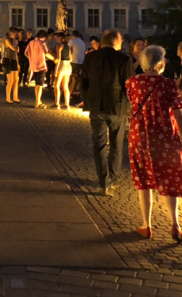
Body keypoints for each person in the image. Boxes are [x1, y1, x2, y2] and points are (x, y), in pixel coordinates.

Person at [126, 45, 182, 242]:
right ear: (161, 62)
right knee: (168, 179)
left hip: (140, 136)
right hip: (165, 137)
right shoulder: (169, 85)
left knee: (144, 183)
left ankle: (147, 225)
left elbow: (133, 104)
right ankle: (174, 224)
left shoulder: (132, 83)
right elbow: (179, 115)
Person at [78, 30, 132, 196]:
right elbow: (129, 85)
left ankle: (104, 182)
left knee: (99, 145)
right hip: (117, 107)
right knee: (116, 144)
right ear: (116, 42)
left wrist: (87, 101)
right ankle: (113, 178)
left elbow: (83, 82)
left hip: (96, 106)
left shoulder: (90, 58)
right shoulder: (124, 59)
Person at [24, 30, 50, 108]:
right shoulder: (42, 43)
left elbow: (25, 52)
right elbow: (46, 53)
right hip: (41, 65)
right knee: (40, 85)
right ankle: (37, 103)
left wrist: (31, 58)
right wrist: (54, 59)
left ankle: (38, 101)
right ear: (44, 37)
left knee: (37, 84)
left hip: (33, 66)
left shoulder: (31, 42)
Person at [54, 33, 73, 109]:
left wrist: (56, 69)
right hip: (68, 65)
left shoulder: (59, 46)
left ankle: (57, 103)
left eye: (57, 38)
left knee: (57, 85)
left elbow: (58, 58)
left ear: (60, 38)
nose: (56, 39)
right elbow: (71, 58)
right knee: (65, 86)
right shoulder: (69, 46)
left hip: (61, 65)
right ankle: (67, 104)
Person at [68, 30, 87, 102]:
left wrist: (69, 59)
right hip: (81, 61)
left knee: (71, 78)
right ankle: (72, 92)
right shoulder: (82, 42)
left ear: (72, 35)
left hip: (73, 61)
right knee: (76, 78)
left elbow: (70, 51)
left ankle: (69, 92)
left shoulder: (72, 41)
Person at [2, 28, 21, 103]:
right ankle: (8, 98)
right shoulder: (7, 40)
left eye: (16, 33)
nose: (16, 34)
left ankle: (15, 97)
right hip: (8, 60)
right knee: (10, 80)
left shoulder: (16, 41)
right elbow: (12, 48)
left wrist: (18, 63)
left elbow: (16, 53)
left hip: (14, 60)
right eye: (14, 33)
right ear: (11, 33)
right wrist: (16, 48)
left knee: (16, 80)